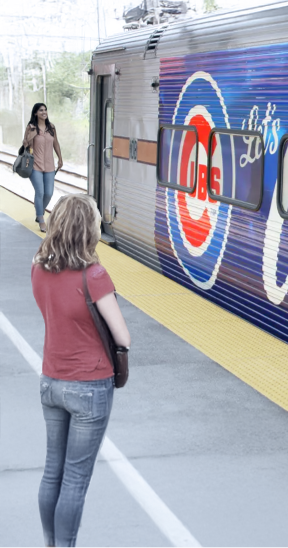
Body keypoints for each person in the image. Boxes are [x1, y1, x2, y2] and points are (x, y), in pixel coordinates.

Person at [31, 194, 130, 548]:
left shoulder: (38, 268)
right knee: (74, 479)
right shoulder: (95, 275)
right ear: (88, 229)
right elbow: (122, 336)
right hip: (89, 386)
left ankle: (50, 543)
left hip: (51, 382)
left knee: (52, 472)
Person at [22, 103, 64, 232]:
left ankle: (38, 212)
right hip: (35, 165)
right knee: (39, 192)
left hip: (50, 165)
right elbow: (25, 145)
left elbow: (55, 143)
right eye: (41, 110)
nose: (44, 112)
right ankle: (41, 220)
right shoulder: (31, 127)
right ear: (36, 113)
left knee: (49, 193)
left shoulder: (51, 127)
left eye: (45, 110)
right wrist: (31, 135)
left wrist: (60, 158)